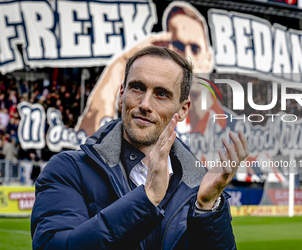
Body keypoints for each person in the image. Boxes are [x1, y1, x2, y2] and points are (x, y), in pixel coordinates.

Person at [31, 46, 248, 249]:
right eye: (137, 87)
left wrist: (206, 208)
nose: (145, 104)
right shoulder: (68, 170)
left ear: (182, 110)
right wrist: (147, 199)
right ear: (121, 95)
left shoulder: (199, 187)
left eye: (161, 94)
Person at [75, 2, 213, 137]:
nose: (187, 57)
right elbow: (91, 144)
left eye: (195, 49)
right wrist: (119, 64)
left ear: (209, 59)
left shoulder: (227, 126)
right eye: (178, 46)